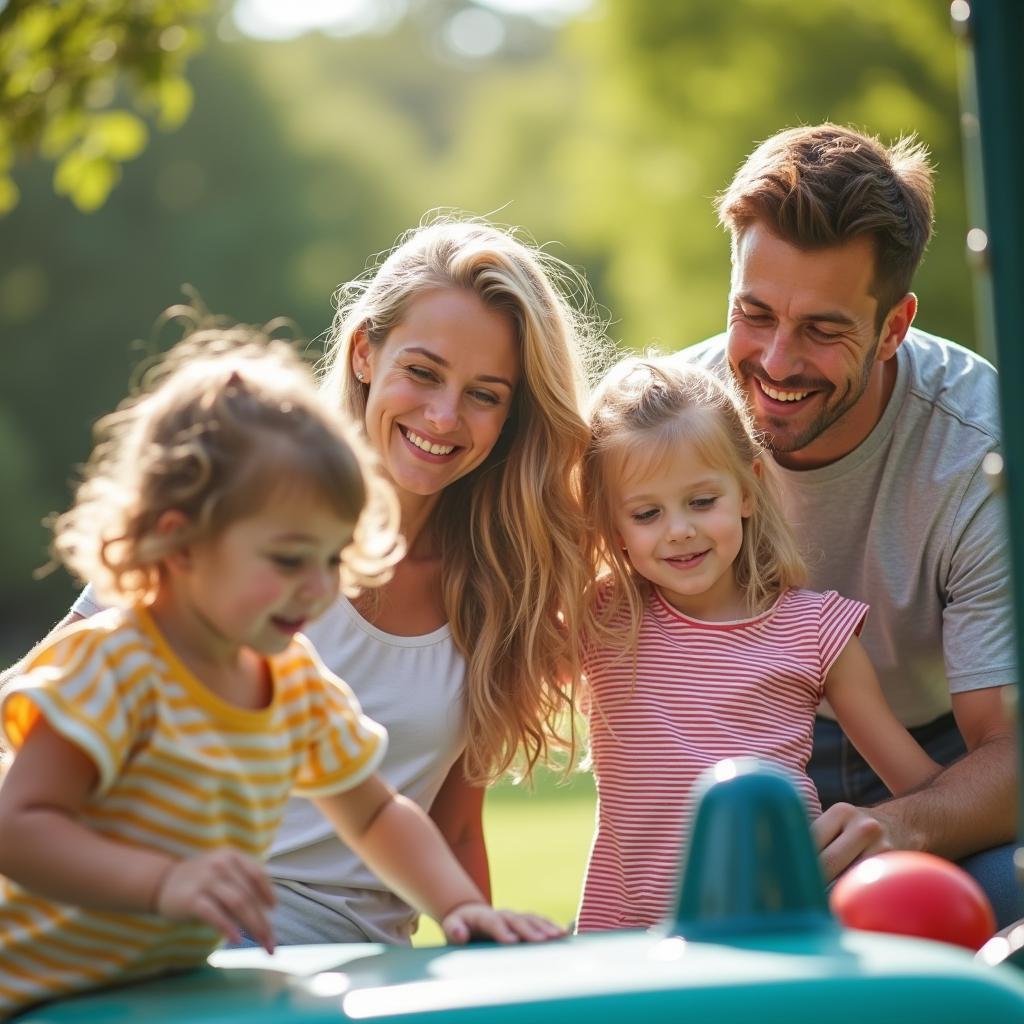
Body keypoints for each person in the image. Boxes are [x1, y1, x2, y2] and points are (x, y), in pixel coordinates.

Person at [2, 216, 603, 945]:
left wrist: (472, 932)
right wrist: (154, 880)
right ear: (363, 355)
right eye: (422, 371)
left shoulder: (486, 592)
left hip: (348, 960)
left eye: (485, 394)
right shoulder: (224, 529)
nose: (444, 415)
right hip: (156, 933)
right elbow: (30, 756)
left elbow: (434, 825)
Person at [681, 123, 1019, 925]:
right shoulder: (677, 419)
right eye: (753, 314)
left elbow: (1005, 750)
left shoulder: (979, 451)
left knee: (1006, 896)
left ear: (894, 327)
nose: (774, 360)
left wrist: (899, 828)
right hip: (738, 748)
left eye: (823, 329)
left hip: (932, 754)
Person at [573, 355, 940, 932]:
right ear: (615, 529)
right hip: (629, 946)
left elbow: (920, 790)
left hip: (779, 932)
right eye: (647, 512)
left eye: (702, 501)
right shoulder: (601, 617)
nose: (679, 529)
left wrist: (883, 828)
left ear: (748, 489)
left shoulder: (818, 630)